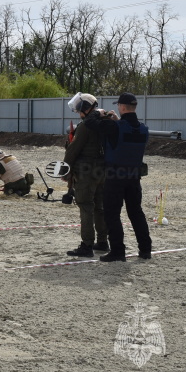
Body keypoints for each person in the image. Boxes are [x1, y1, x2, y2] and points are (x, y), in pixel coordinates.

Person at [85, 92, 152, 262]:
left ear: (122, 107)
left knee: (112, 214)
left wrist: (98, 113)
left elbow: (90, 122)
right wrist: (116, 122)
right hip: (134, 176)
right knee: (136, 213)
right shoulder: (143, 129)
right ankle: (145, 250)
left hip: (115, 176)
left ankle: (118, 251)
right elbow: (126, 137)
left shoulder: (115, 127)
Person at [62, 93, 109, 258]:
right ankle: (103, 241)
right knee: (99, 207)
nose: (77, 112)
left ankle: (87, 245)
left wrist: (65, 170)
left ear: (85, 108)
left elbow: (73, 150)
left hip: (86, 172)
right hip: (102, 171)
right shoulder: (104, 122)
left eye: (79, 109)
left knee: (86, 206)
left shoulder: (85, 126)